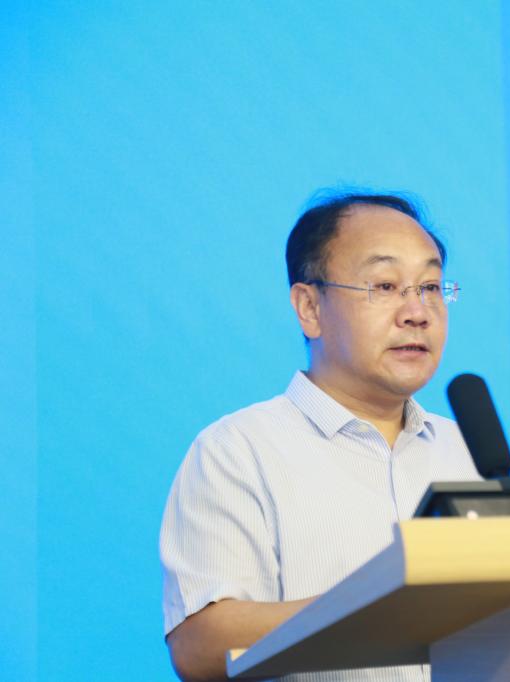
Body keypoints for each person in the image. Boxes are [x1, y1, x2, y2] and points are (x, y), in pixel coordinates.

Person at [160, 191, 481, 682]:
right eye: (385, 285)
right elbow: (199, 646)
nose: (417, 312)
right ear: (309, 307)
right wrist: (384, 608)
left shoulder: (467, 450)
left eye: (431, 287)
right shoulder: (238, 450)